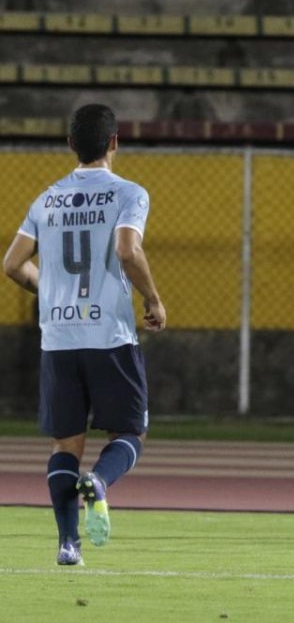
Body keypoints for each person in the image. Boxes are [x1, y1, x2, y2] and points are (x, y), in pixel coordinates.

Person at [3, 103, 167, 566]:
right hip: (109, 335)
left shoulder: (46, 200)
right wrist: (153, 299)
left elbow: (12, 265)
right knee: (131, 431)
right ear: (114, 142)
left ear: (71, 144)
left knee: (65, 444)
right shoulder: (129, 193)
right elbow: (127, 250)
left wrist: (51, 290)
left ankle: (67, 544)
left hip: (58, 338)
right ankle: (99, 481)